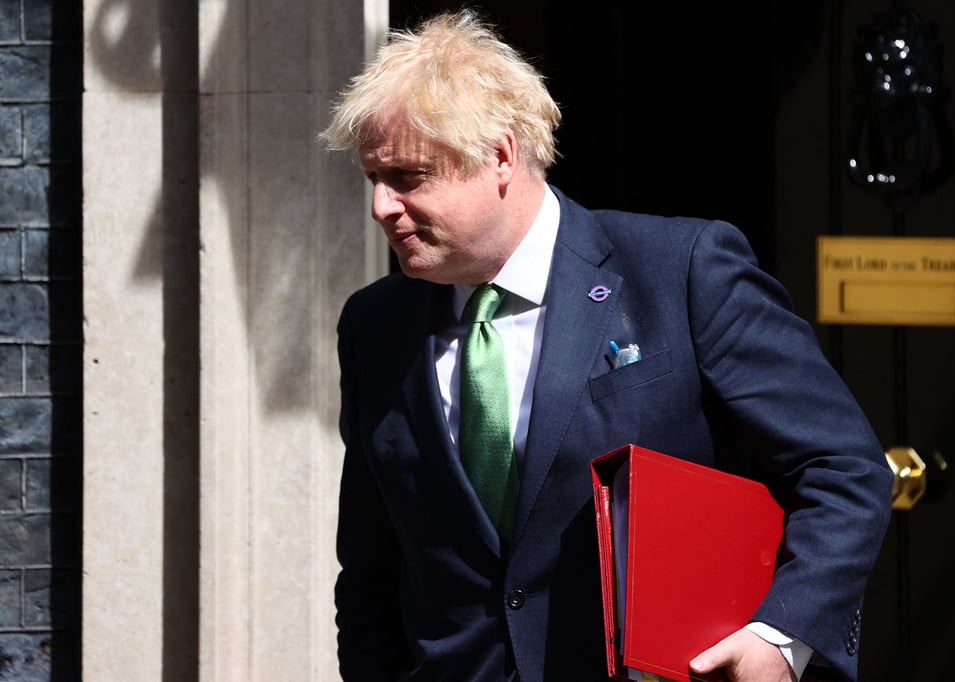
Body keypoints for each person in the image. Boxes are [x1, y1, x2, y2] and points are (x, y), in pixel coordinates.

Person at [320, 9, 893, 682]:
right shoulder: (374, 325)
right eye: (374, 181)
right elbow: (371, 568)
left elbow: (844, 469)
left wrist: (780, 637)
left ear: (501, 157)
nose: (381, 207)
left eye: (408, 178)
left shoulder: (679, 271)